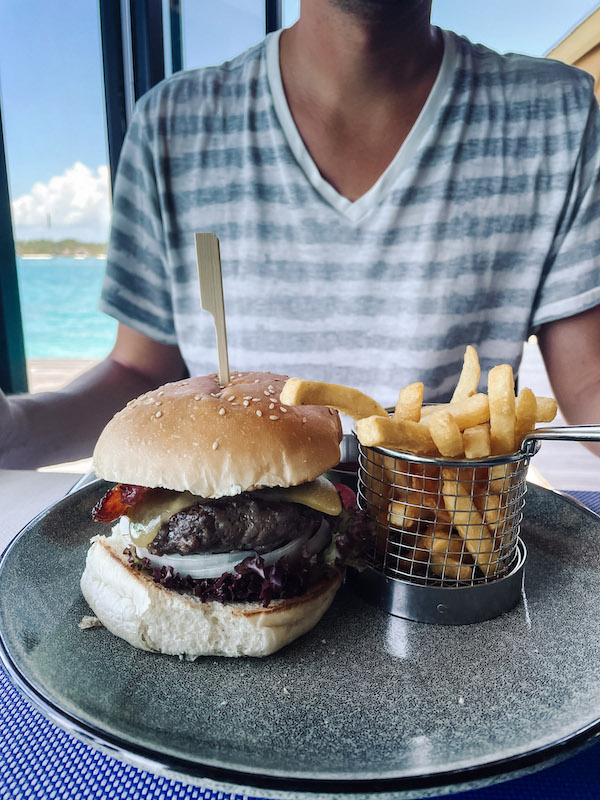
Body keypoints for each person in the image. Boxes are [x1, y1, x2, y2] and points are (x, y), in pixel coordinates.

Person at [1, 0, 599, 469]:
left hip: (448, 550)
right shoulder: (170, 125)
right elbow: (139, 375)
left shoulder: (558, 114)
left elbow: (589, 386)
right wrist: (15, 430)